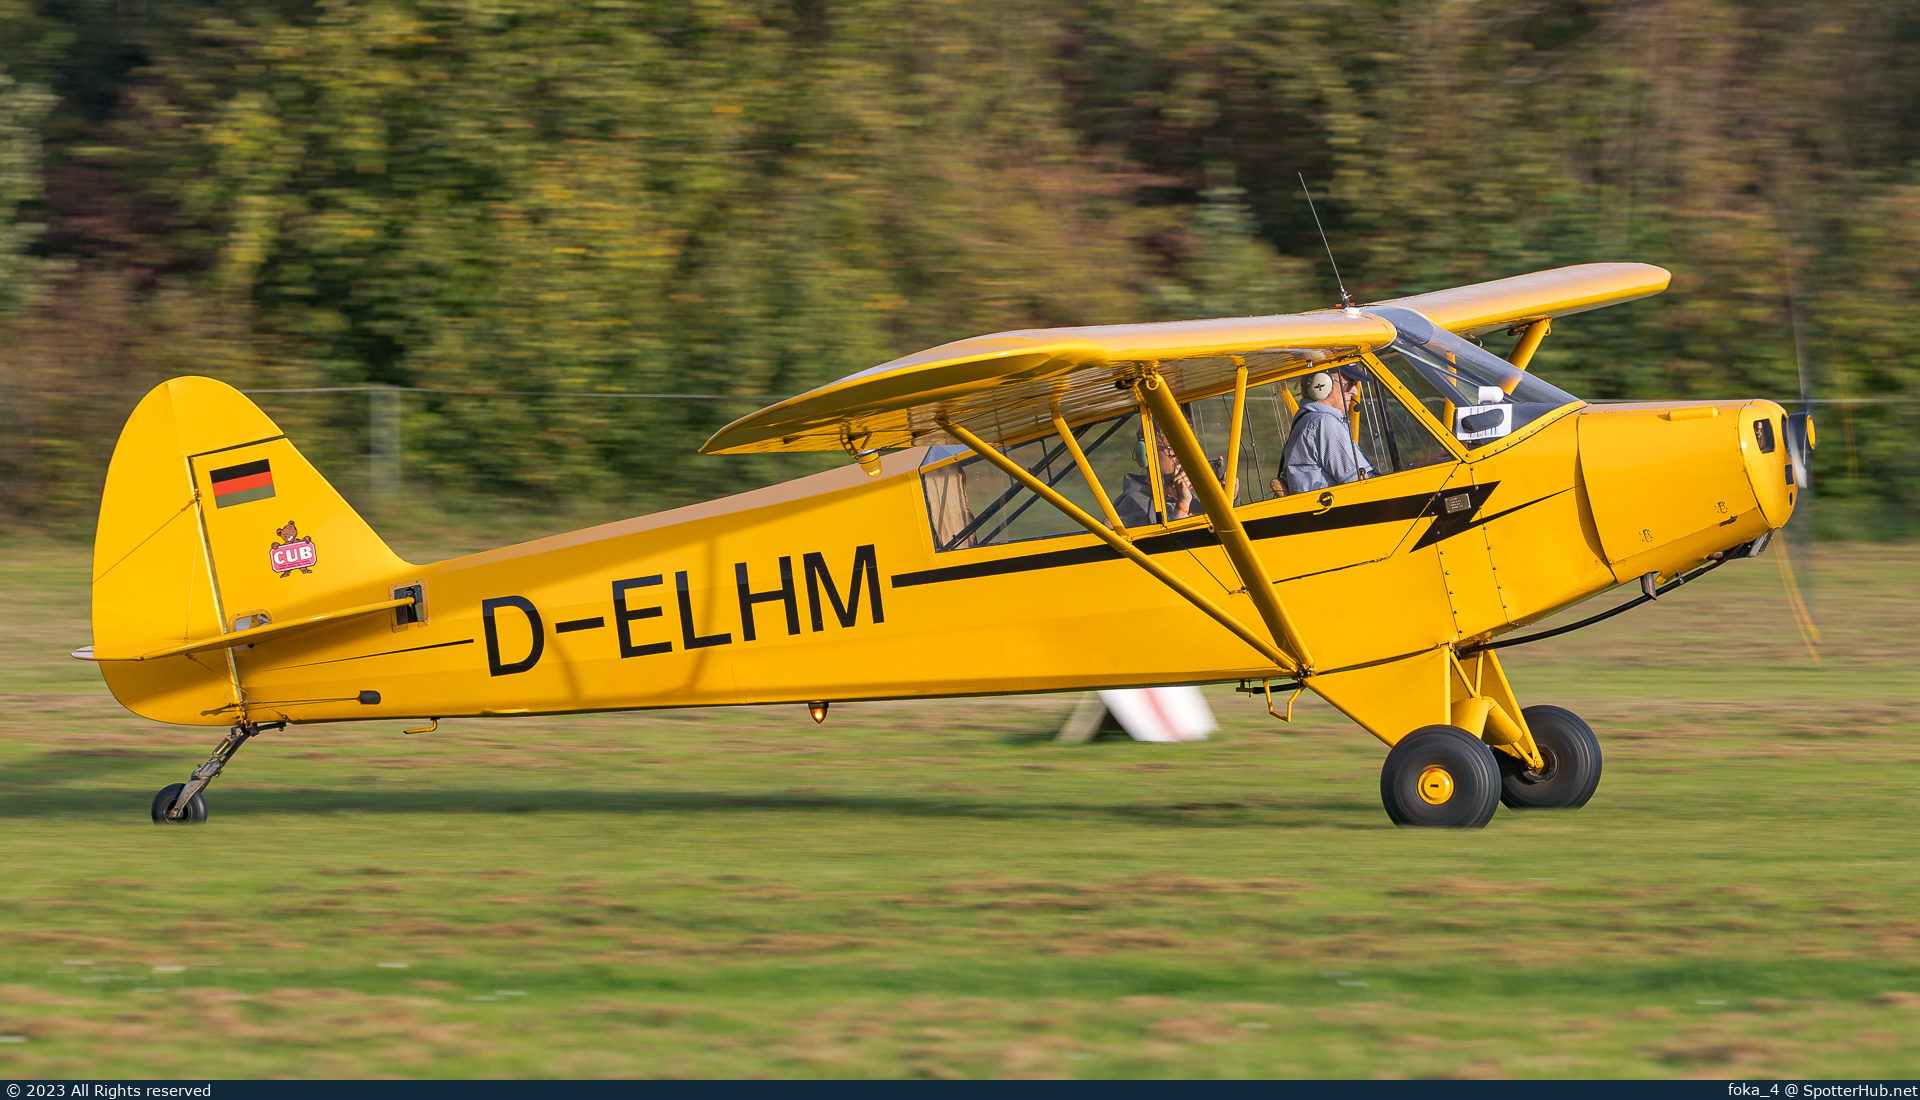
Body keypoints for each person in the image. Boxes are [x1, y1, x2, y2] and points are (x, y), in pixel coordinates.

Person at [1279, 363, 1376, 495]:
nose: (1355, 391)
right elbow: (1363, 486)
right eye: (1348, 383)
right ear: (1321, 384)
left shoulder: (1307, 418)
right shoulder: (1324, 422)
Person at [1116, 428, 1198, 527]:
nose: (1183, 455)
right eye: (1172, 448)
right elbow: (1169, 542)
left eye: (1187, 448)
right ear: (1146, 453)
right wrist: (1182, 505)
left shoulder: (1196, 493)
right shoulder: (1134, 504)